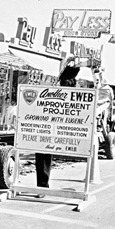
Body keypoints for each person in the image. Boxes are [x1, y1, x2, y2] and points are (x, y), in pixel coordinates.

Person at [35, 63, 79, 196]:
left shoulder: (65, 90)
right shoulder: (55, 88)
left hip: (57, 127)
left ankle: (42, 186)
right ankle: (42, 186)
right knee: (43, 155)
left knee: (44, 155)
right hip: (49, 126)